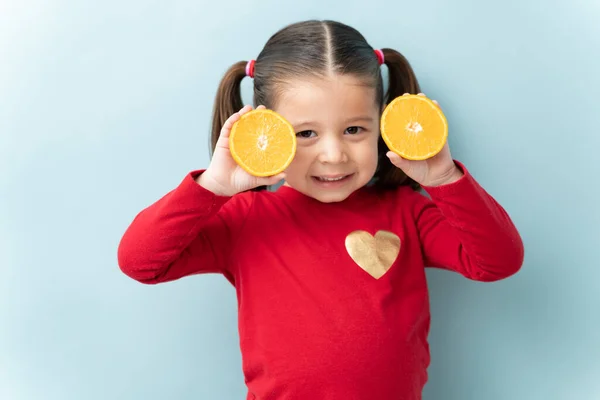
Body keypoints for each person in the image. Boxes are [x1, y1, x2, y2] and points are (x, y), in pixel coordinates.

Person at [117, 19, 524, 400]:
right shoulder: (246, 220)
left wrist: (444, 177)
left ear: (381, 125)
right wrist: (212, 187)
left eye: (353, 130)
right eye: (306, 133)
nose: (333, 154)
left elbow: (498, 261)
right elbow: (140, 262)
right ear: (268, 133)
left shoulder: (407, 212)